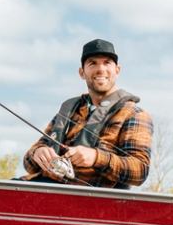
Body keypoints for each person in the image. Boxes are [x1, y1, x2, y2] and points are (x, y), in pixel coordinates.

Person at [23, 38, 153, 188]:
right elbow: (28, 164)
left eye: (107, 63)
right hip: (44, 189)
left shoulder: (135, 114)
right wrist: (37, 153)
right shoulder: (68, 111)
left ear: (117, 70)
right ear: (82, 72)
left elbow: (140, 171)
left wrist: (96, 158)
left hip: (90, 201)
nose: (100, 69)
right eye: (92, 63)